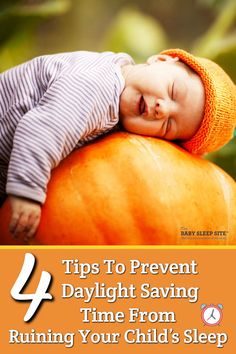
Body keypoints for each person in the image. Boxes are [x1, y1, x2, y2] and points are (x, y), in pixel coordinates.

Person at [0, 48, 235, 239]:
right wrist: (26, 191)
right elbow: (43, 128)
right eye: (173, 91)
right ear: (161, 59)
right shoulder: (96, 87)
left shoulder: (118, 86)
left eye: (169, 126)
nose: (162, 109)